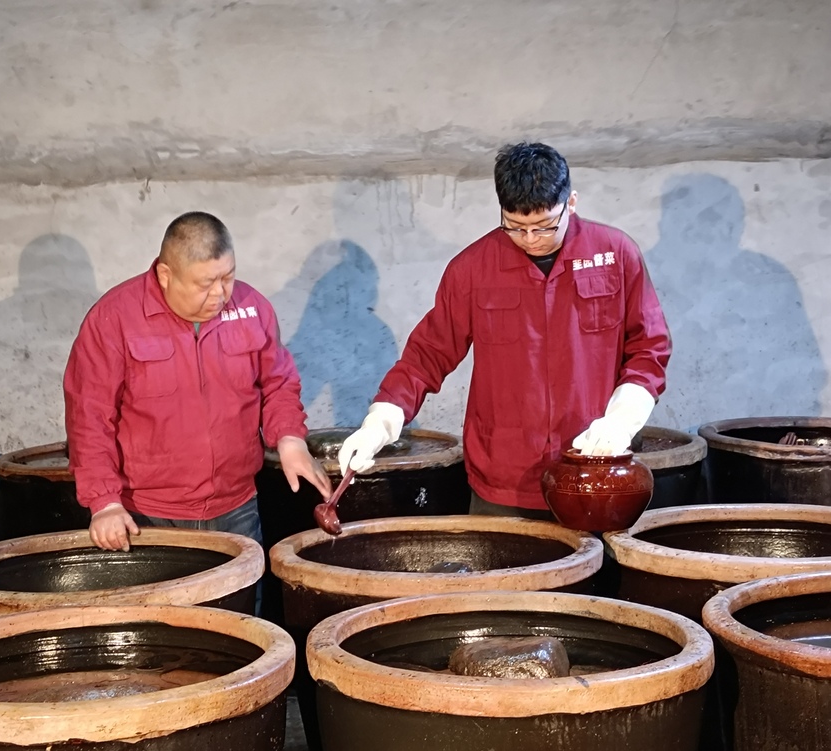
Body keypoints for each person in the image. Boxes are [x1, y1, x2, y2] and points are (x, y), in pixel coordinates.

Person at [338, 142, 671, 518]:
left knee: (595, 573)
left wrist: (622, 419)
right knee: (502, 574)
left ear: (571, 203)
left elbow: (649, 346)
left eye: (545, 226)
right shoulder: (472, 269)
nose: (530, 239)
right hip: (505, 479)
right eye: (515, 227)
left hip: (593, 470)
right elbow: (428, 355)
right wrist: (382, 420)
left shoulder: (615, 255)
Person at [64, 211, 331, 551]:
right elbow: (89, 415)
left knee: (240, 603)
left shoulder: (253, 309)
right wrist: (105, 503)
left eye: (228, 277)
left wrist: (290, 439)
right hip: (146, 513)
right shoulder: (114, 319)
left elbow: (279, 382)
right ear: (165, 275)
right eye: (205, 284)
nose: (220, 294)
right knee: (163, 604)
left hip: (236, 505)